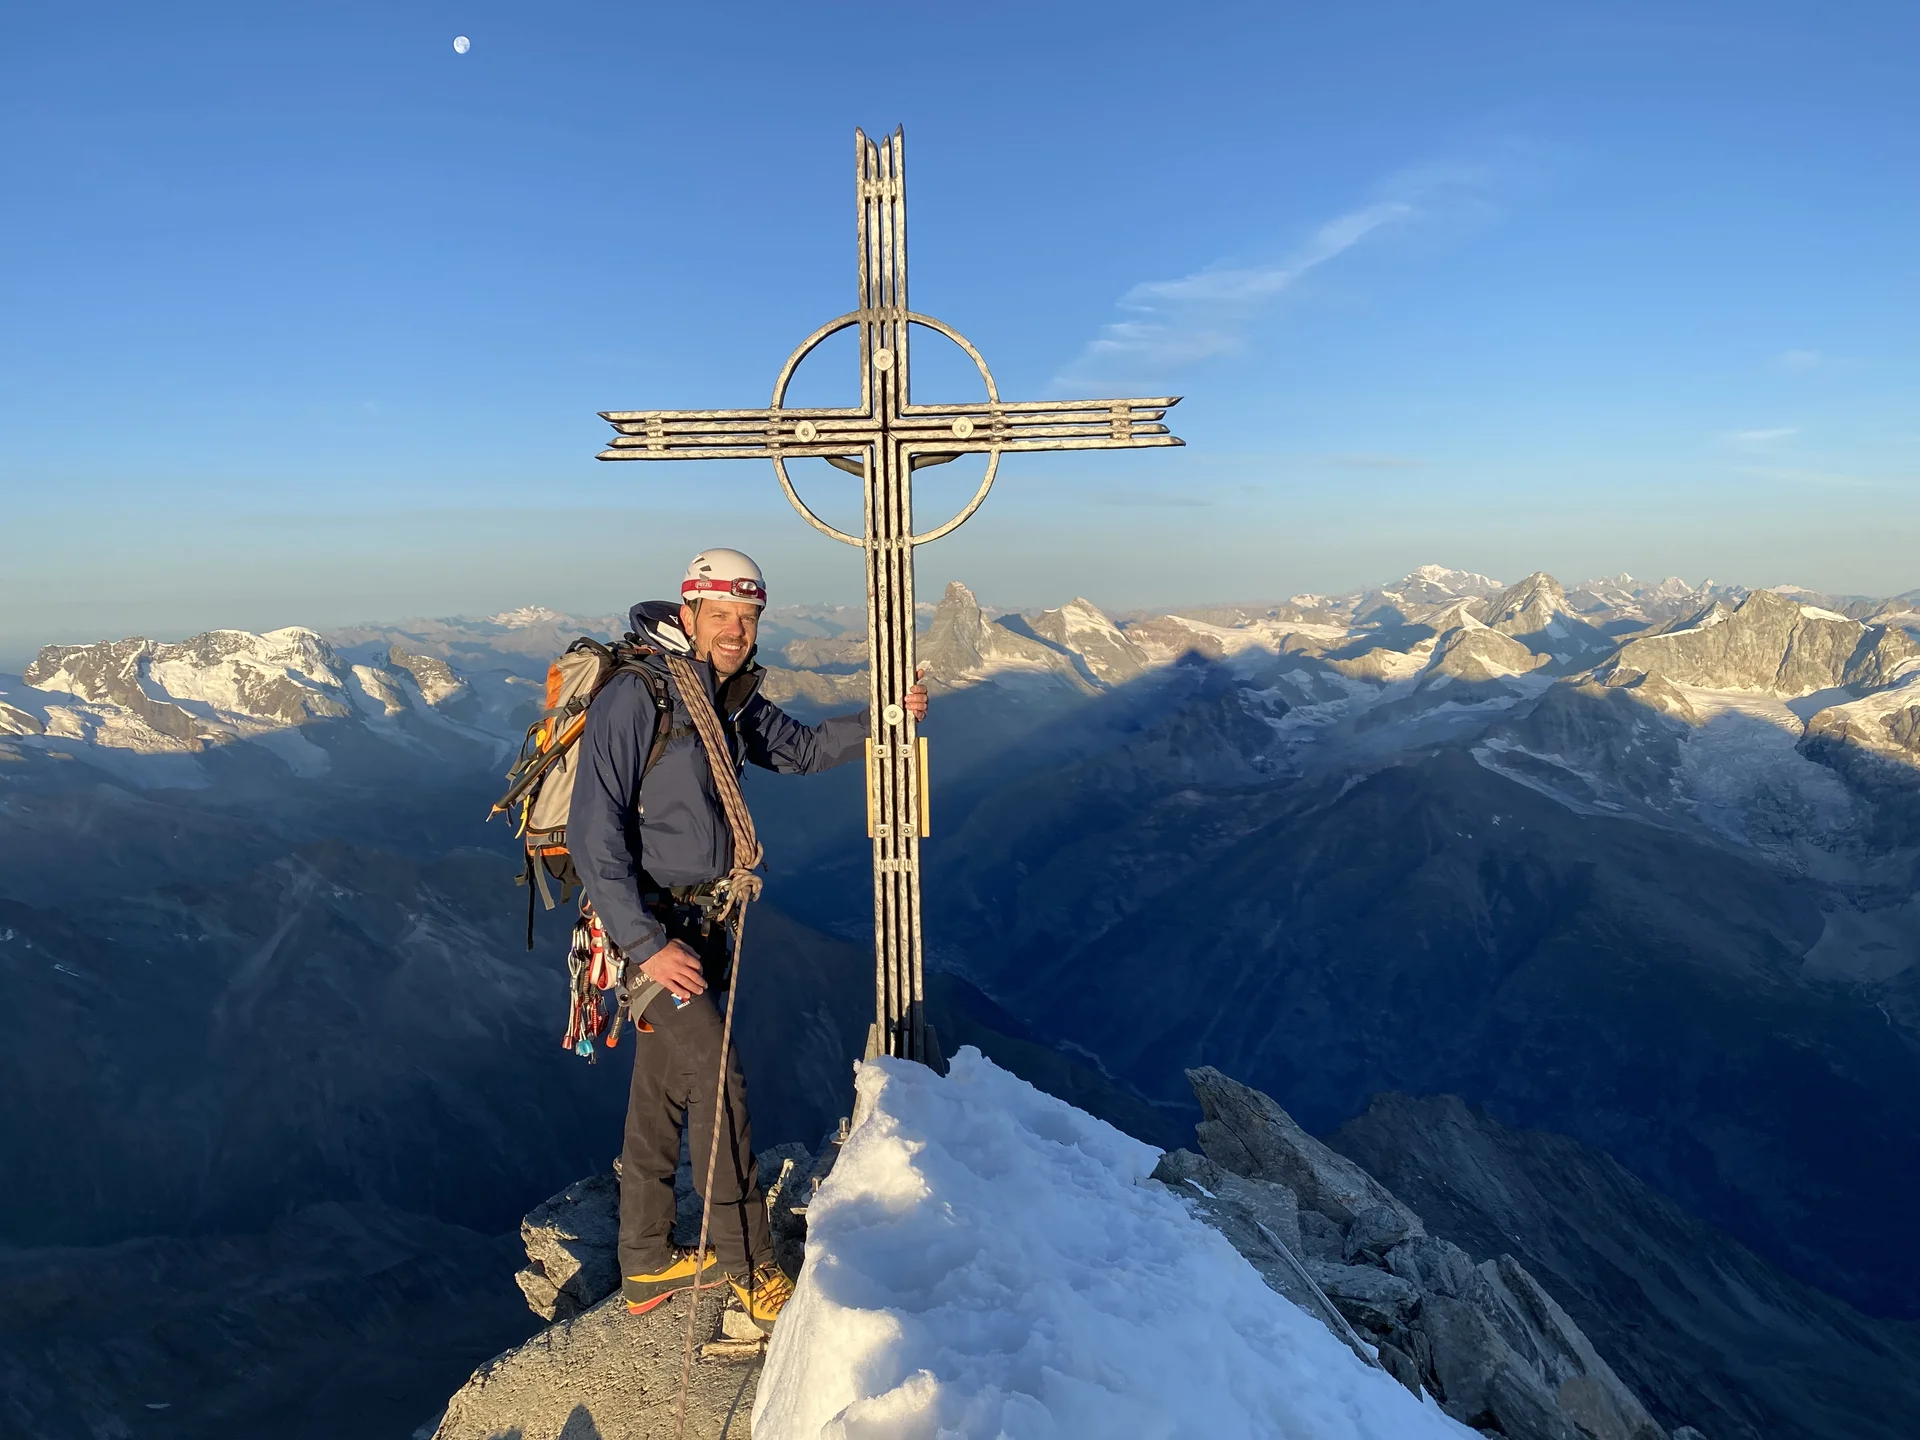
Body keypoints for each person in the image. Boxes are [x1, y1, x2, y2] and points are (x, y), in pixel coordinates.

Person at [567, 547, 928, 1333]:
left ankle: (644, 1259)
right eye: (723, 615)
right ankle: (750, 1267)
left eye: (749, 616)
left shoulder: (723, 696)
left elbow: (796, 750)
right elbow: (593, 836)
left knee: (663, 1089)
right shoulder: (640, 696)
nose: (737, 630)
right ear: (687, 612)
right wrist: (644, 942)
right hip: (656, 930)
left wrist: (884, 720)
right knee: (721, 1083)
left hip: (702, 924)